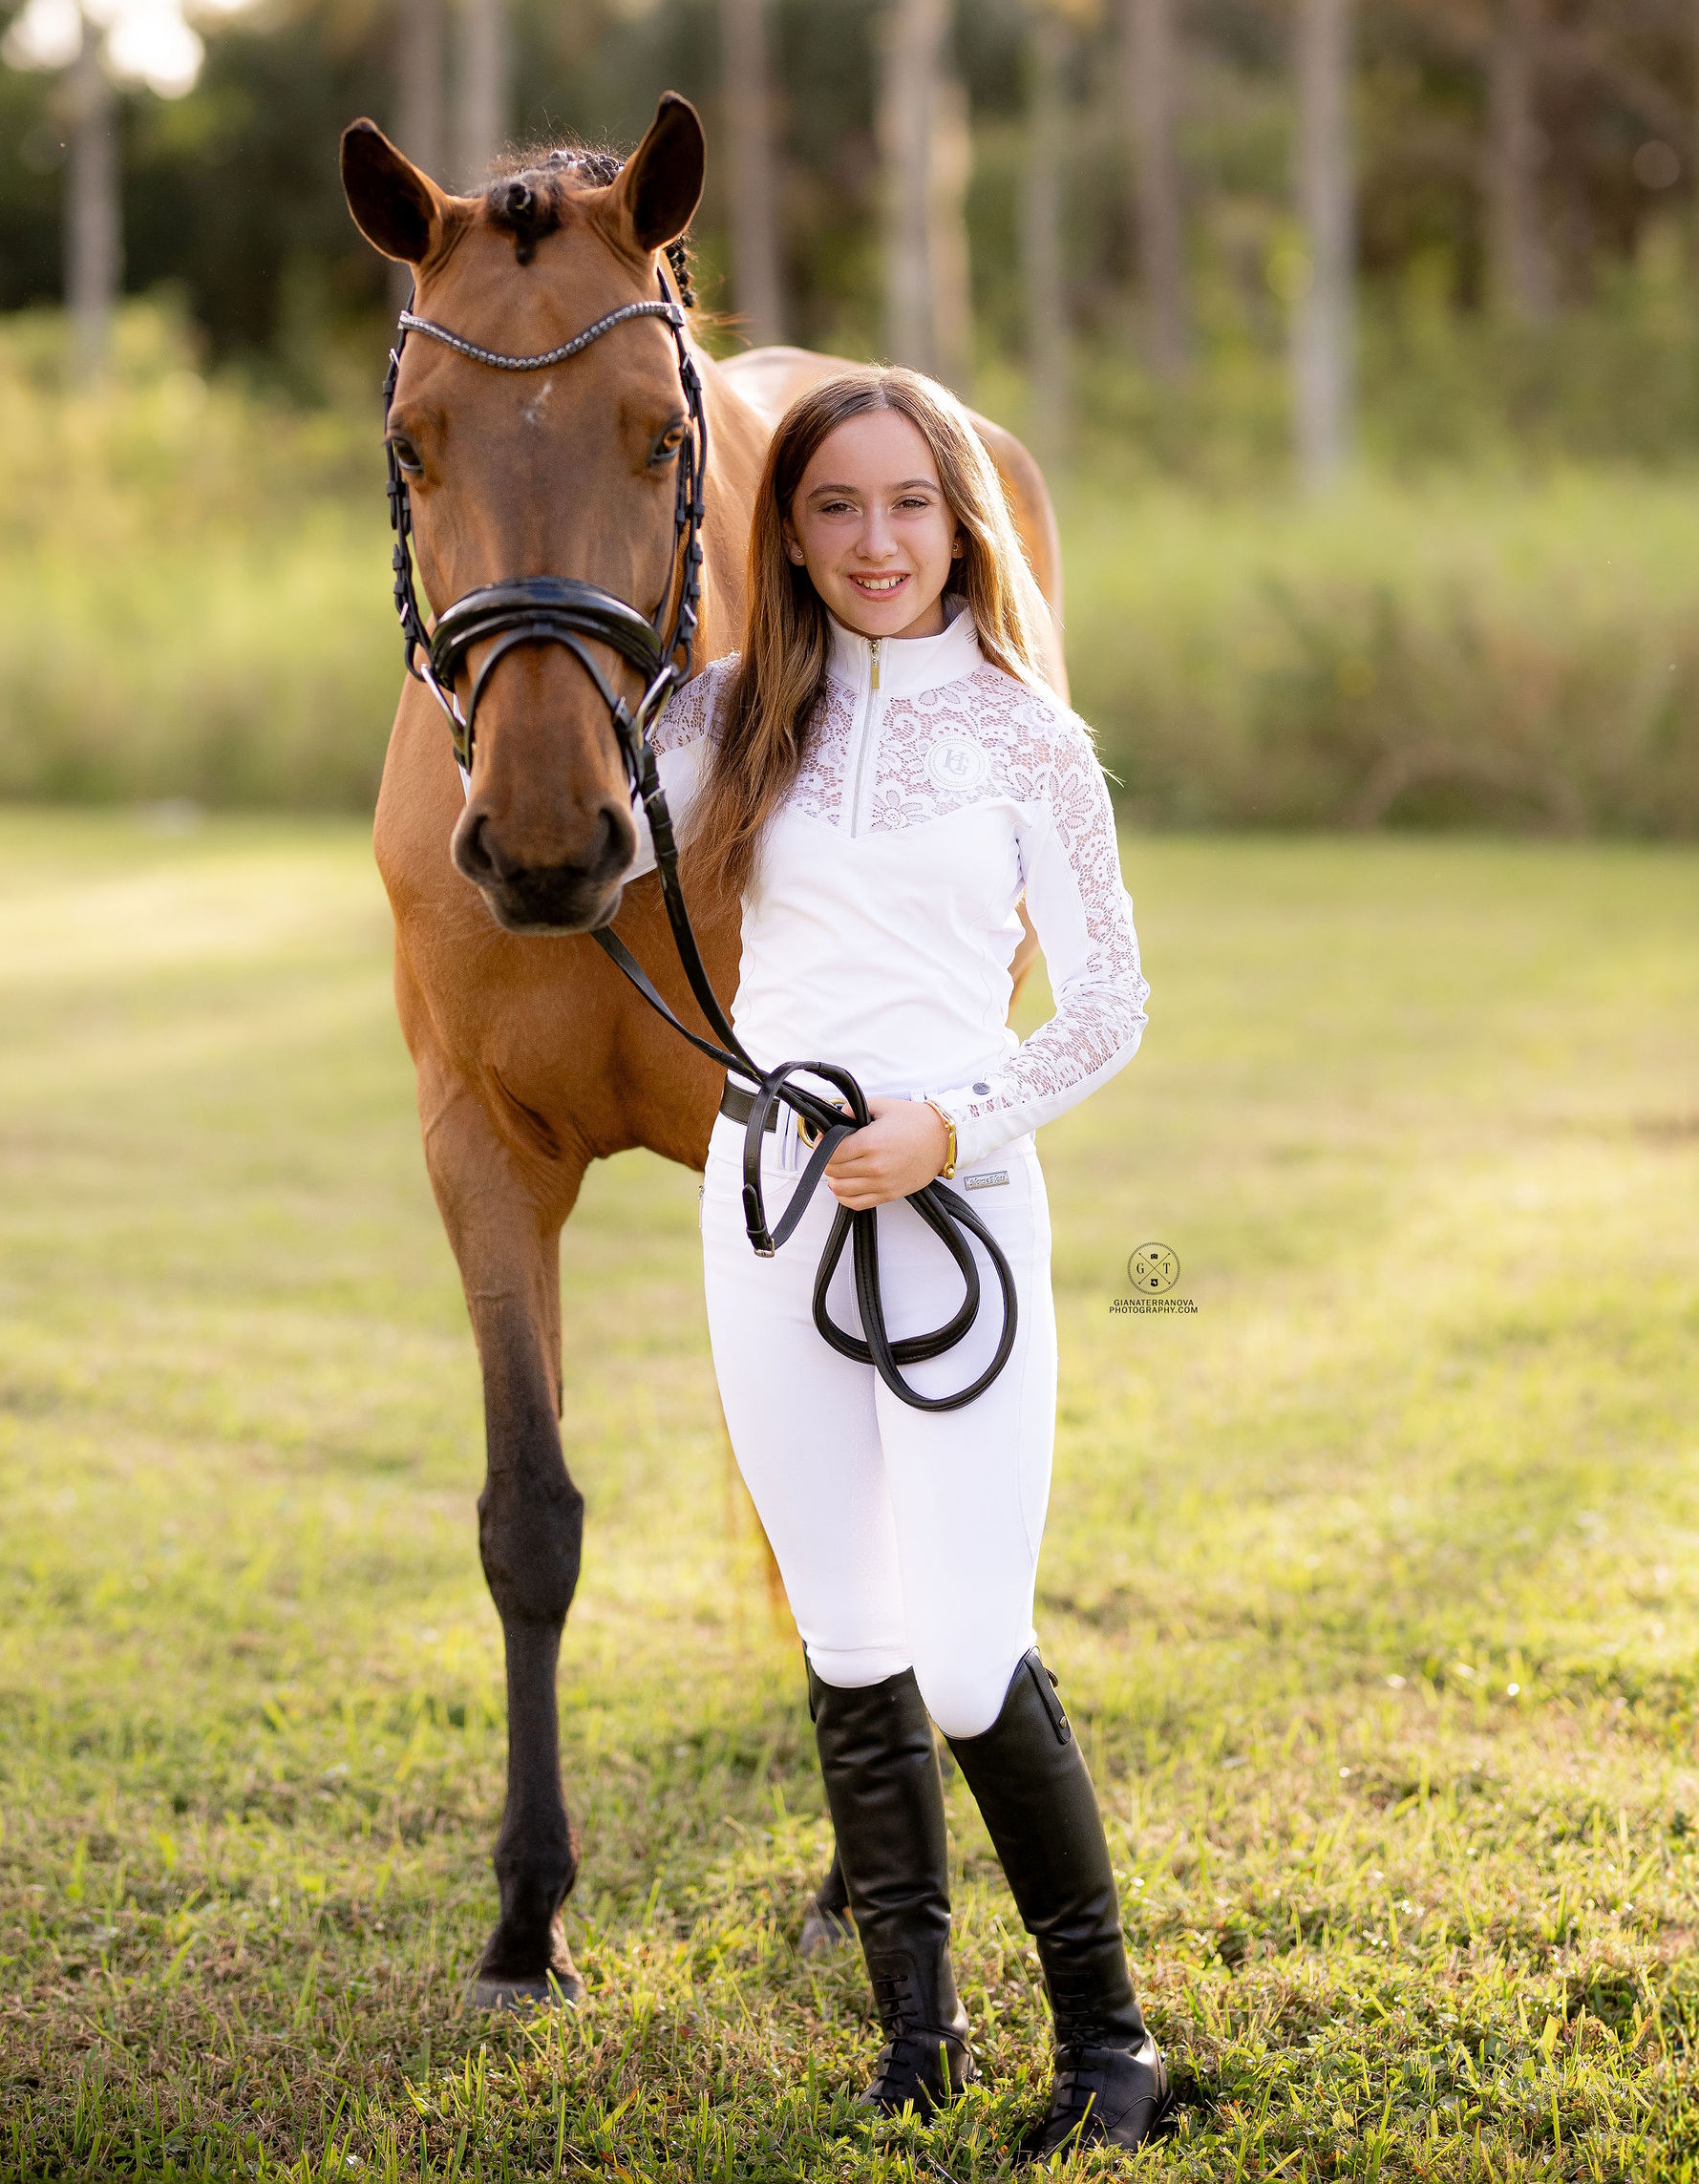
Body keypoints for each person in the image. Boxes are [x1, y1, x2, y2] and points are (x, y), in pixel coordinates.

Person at [634, 368, 1165, 2161]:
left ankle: (1113, 2045)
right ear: (787, 534)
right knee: (850, 1640)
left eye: (909, 504)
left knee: (965, 1652)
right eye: (835, 507)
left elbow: (1109, 1004)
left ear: (960, 521)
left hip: (956, 1214)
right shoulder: (724, 716)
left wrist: (952, 1124)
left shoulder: (1028, 739)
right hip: (766, 1208)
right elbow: (569, 821)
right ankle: (916, 2037)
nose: (876, 543)